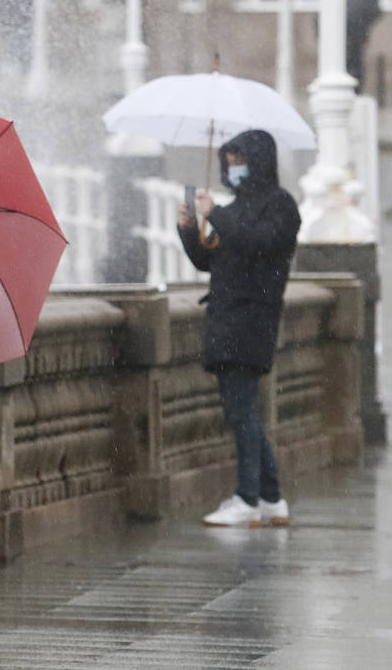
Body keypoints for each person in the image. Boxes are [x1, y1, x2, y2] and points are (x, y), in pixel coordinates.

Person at [176, 129, 301, 528]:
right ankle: (270, 498)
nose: (234, 168)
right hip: (227, 318)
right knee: (240, 410)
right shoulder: (236, 206)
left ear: (259, 161)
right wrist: (189, 228)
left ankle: (248, 498)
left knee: (241, 410)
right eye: (229, 162)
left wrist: (217, 214)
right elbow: (212, 261)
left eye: (240, 160)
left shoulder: (280, 206)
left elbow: (258, 243)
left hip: (252, 319)